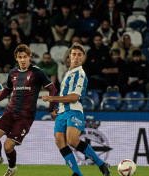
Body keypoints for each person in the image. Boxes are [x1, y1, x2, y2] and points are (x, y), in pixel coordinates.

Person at [0, 44, 57, 175]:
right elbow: (7, 90)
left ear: (30, 57)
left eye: (25, 57)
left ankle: (12, 168)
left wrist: (51, 109)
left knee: (8, 146)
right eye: (20, 57)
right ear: (16, 59)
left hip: (25, 117)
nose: (22, 60)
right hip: (10, 112)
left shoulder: (37, 72)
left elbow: (53, 89)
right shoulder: (13, 73)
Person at [42, 43, 111, 176]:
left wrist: (53, 99)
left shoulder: (80, 74)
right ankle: (77, 173)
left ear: (83, 58)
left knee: (72, 140)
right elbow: (65, 95)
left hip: (74, 111)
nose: (76, 57)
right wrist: (58, 109)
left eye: (79, 55)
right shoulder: (68, 73)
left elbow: (74, 97)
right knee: (59, 140)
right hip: (63, 112)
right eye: (74, 54)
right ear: (69, 56)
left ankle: (102, 164)